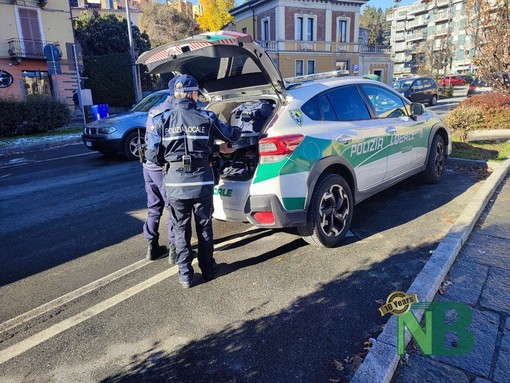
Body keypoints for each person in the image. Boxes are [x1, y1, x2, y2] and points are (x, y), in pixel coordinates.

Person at [146, 74, 241, 288]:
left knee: (180, 229)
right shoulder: (206, 117)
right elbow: (231, 136)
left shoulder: (161, 120)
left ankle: (185, 275)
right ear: (193, 94)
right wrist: (241, 127)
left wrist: (172, 159)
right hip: (201, 182)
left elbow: (153, 156)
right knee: (204, 226)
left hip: (175, 184)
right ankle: (208, 269)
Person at [142, 78, 177, 262]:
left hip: (147, 165)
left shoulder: (154, 110)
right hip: (162, 166)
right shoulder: (172, 112)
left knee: (154, 206)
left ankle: (152, 247)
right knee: (172, 206)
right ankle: (174, 249)